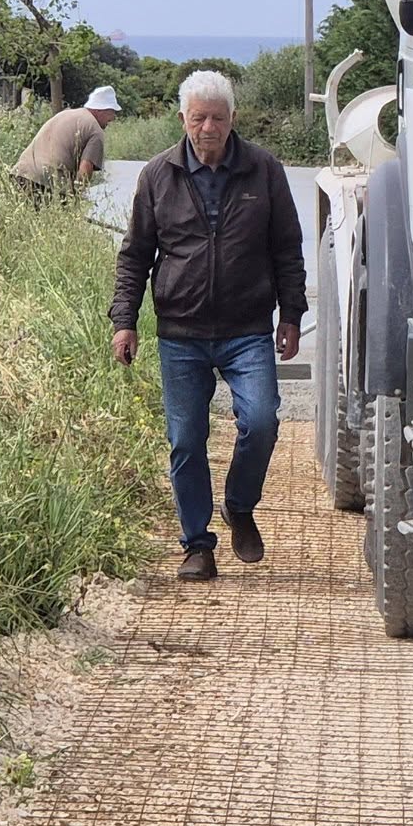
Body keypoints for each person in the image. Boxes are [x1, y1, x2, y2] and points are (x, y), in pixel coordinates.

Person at [109, 71, 306, 582]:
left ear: (233, 118)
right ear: (183, 120)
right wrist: (124, 322)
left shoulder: (264, 170)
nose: (209, 127)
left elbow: (287, 249)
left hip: (248, 330)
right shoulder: (157, 175)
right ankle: (197, 544)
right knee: (185, 441)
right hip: (180, 332)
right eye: (199, 118)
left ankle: (239, 506)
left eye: (218, 117)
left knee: (261, 422)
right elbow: (135, 257)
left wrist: (292, 314)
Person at [11, 85, 119, 199]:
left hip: (20, 172)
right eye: (112, 112)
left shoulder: (65, 114)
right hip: (47, 182)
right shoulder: (95, 130)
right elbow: (85, 170)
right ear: (100, 110)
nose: (113, 118)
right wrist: (76, 198)